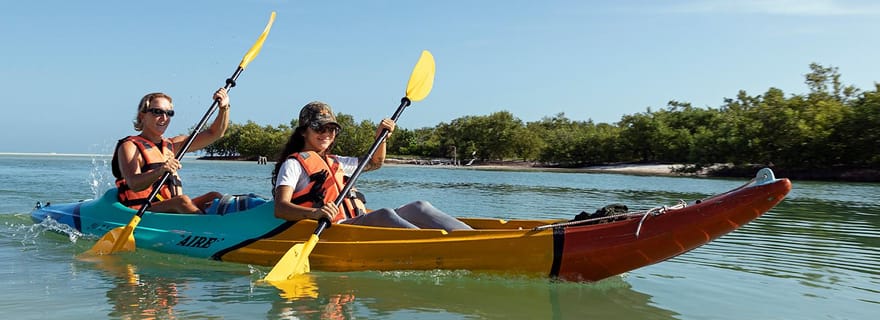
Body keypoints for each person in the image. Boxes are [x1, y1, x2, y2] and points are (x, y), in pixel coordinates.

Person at [271, 101, 472, 231]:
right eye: (319, 127)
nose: (326, 133)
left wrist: (380, 138)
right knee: (384, 214)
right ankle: (433, 245)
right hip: (334, 227)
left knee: (419, 207)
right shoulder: (293, 164)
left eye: (331, 129)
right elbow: (281, 209)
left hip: (355, 221)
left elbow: (375, 162)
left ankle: (470, 236)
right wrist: (315, 213)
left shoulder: (337, 161)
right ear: (303, 132)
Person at [111, 89, 231, 214]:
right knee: (182, 201)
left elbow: (214, 134)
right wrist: (161, 170)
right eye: (157, 112)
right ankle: (209, 230)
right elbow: (134, 184)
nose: (164, 117)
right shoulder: (130, 146)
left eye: (169, 113)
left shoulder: (173, 145)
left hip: (170, 210)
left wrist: (224, 108)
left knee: (214, 197)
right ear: (142, 116)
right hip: (142, 212)